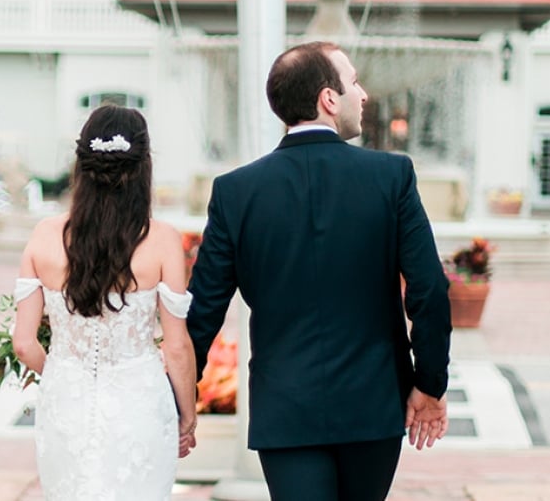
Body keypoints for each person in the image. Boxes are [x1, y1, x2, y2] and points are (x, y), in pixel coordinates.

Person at [186, 41, 452, 501]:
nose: (363, 93)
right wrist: (429, 384)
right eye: (353, 82)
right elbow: (428, 291)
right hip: (373, 406)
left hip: (284, 410)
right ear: (328, 99)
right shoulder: (392, 177)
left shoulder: (235, 192)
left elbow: (205, 308)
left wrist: (181, 394)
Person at [12, 105, 198, 500]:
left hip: (65, 401)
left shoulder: (44, 236)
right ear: (144, 166)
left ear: (81, 166)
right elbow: (177, 346)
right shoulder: (163, 239)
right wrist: (188, 416)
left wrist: (63, 371)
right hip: (141, 402)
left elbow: (24, 344)